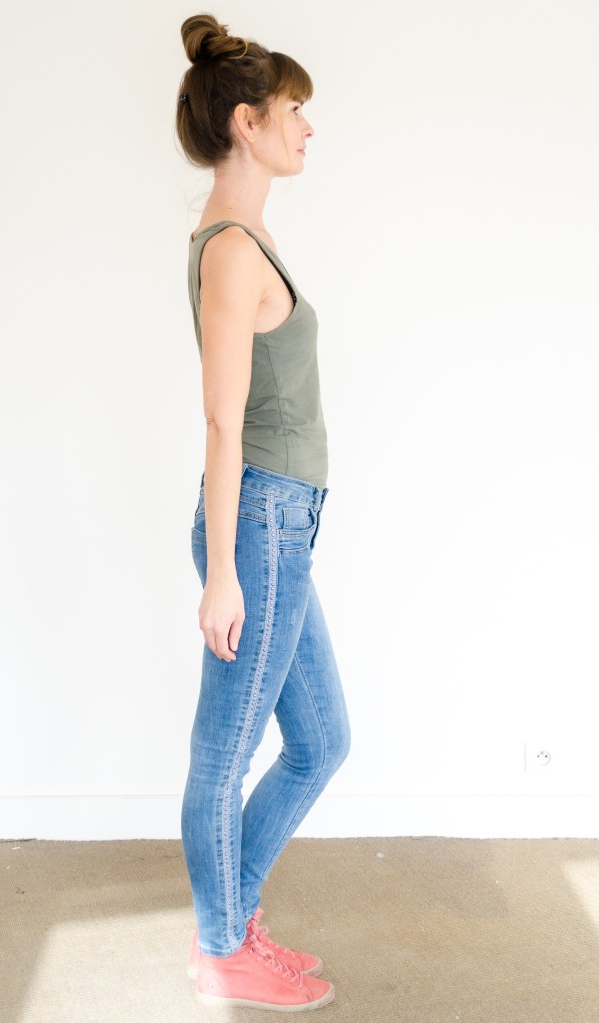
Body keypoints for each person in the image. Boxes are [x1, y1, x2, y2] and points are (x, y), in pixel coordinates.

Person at [176, 13, 351, 1012]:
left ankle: (233, 921)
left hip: (282, 524)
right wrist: (223, 575)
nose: (306, 128)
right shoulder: (233, 250)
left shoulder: (246, 239)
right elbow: (221, 419)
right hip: (259, 528)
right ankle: (221, 948)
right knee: (227, 751)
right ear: (247, 123)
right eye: (293, 111)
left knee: (322, 741)